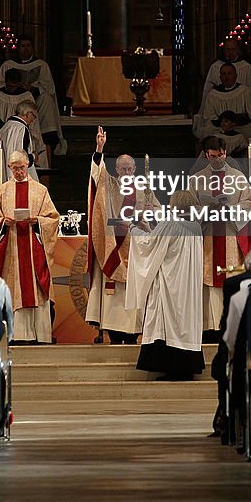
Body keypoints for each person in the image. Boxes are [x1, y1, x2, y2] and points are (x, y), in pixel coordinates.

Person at [86, 126, 157, 343]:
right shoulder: (111, 184)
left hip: (136, 244)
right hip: (114, 243)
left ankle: (134, 330)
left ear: (135, 169)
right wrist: (99, 149)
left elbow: (157, 211)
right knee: (114, 293)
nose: (126, 172)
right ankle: (114, 332)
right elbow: (97, 177)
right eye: (122, 169)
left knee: (134, 290)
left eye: (129, 169)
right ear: (116, 169)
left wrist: (146, 218)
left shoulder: (145, 188)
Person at [0, 149, 59, 344]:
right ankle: (16, 335)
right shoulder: (2, 191)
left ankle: (39, 335)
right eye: (15, 168)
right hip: (12, 251)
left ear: (28, 166)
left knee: (34, 289)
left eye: (22, 168)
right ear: (9, 168)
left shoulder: (40, 190)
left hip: (34, 249)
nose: (19, 172)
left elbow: (53, 218)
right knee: (14, 289)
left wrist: (38, 221)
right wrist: (2, 223)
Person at [126, 191, 205, 381]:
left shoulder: (171, 224)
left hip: (171, 283)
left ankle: (171, 368)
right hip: (187, 285)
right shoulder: (195, 227)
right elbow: (161, 241)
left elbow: (149, 245)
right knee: (183, 322)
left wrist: (133, 229)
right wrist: (148, 228)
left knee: (168, 320)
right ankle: (186, 367)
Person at [187, 135, 251, 333]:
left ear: (225, 153)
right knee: (208, 282)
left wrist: (230, 210)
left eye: (220, 155)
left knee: (230, 279)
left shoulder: (237, 176)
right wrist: (206, 211)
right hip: (208, 236)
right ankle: (209, 327)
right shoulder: (196, 179)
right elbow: (188, 207)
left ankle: (232, 326)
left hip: (230, 235)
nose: (217, 160)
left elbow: (249, 204)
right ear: (206, 155)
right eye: (212, 156)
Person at [0, 35, 67, 156]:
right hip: (14, 102)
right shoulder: (8, 65)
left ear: (33, 48)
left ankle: (47, 135)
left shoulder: (41, 65)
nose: (26, 49)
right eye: (23, 46)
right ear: (18, 48)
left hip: (34, 101)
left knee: (47, 99)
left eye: (28, 46)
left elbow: (49, 88)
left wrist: (33, 88)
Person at [0, 67, 47, 168]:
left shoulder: (26, 96)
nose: (11, 87)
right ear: (5, 82)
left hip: (22, 131)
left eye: (14, 85)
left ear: (19, 83)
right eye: (9, 85)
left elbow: (33, 121)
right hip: (1, 132)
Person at [0, 99, 43, 206]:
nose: (33, 120)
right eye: (34, 116)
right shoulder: (21, 128)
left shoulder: (6, 127)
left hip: (2, 176)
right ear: (28, 113)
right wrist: (33, 157)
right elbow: (20, 158)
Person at [195, 63, 251, 143]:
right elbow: (209, 116)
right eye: (224, 74)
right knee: (207, 130)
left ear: (236, 75)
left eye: (229, 74)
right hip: (221, 127)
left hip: (239, 127)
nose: (226, 77)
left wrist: (235, 122)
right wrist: (224, 123)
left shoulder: (245, 91)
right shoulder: (213, 94)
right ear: (220, 77)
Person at [201, 37, 251, 104]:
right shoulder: (215, 66)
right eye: (228, 49)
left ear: (237, 49)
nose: (230, 52)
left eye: (233, 49)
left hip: (240, 102)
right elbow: (208, 89)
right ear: (224, 50)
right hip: (220, 102)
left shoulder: (246, 67)